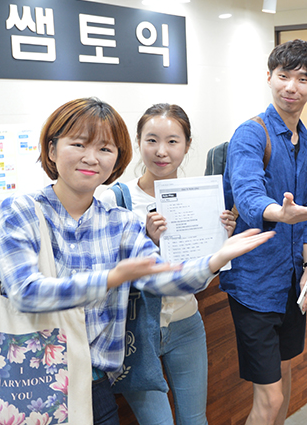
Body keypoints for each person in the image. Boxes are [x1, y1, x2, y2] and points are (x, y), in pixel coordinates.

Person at [0, 97, 274, 425]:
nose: (91, 157)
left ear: (117, 157)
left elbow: (161, 278)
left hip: (96, 383)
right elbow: (25, 293)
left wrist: (214, 259)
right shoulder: (21, 211)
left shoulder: (120, 222)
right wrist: (110, 278)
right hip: (34, 379)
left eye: (104, 148)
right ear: (52, 150)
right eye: (78, 144)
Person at [100, 103, 235, 425]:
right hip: (135, 331)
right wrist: (149, 243)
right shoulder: (114, 198)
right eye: (152, 140)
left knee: (195, 420)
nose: (161, 151)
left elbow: (201, 282)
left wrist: (221, 244)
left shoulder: (201, 199)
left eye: (173, 141)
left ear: (187, 146)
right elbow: (106, 274)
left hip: (186, 323)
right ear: (138, 142)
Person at [221, 39, 307, 425]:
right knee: (269, 399)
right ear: (269, 77)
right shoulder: (251, 134)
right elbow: (248, 194)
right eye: (284, 76)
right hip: (254, 285)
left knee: (284, 379)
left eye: (303, 79)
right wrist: (278, 214)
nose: (291, 87)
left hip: (290, 285)